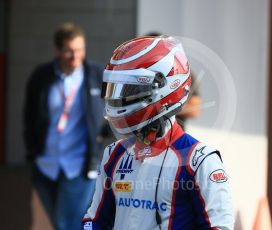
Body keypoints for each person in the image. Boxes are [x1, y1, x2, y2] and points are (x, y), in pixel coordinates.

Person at [82, 36, 234, 229]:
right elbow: (94, 220)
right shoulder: (114, 154)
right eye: (117, 88)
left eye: (131, 89)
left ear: (165, 88)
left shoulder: (201, 161)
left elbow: (218, 226)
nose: (120, 98)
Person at [23, 22, 109, 230]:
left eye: (80, 49)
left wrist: (103, 135)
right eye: (69, 51)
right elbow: (29, 116)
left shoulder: (96, 75)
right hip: (46, 165)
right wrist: (32, 152)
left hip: (80, 164)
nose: (75, 56)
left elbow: (112, 109)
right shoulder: (42, 76)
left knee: (66, 223)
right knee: (61, 222)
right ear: (57, 51)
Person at [145, 32, 202, 130]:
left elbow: (194, 110)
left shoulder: (183, 73)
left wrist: (161, 108)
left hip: (173, 137)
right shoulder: (139, 74)